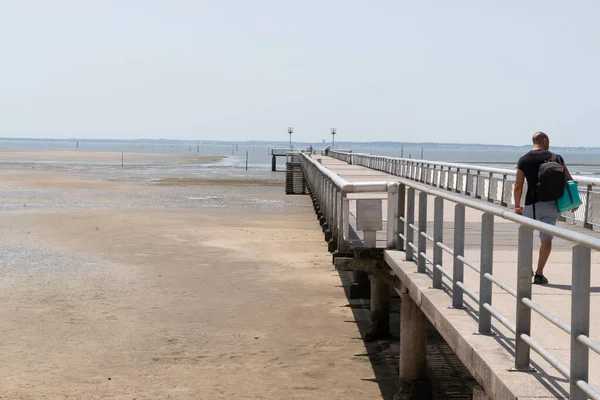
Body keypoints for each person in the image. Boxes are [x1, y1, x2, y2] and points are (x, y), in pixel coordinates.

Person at [514, 132, 574, 285]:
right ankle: (539, 274)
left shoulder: (524, 159)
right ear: (545, 140)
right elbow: (569, 180)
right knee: (546, 240)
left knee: (525, 238)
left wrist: (516, 206)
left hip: (531, 205)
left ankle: (525, 270)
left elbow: (518, 185)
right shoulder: (557, 158)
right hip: (551, 205)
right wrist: (573, 202)